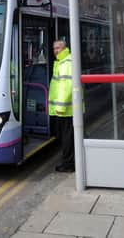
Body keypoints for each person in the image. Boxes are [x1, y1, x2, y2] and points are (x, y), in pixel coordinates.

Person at [48, 40, 74, 172]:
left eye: (58, 48)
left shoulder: (66, 63)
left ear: (64, 48)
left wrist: (61, 107)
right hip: (64, 109)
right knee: (68, 136)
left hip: (66, 110)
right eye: (54, 49)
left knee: (67, 137)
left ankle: (68, 164)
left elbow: (66, 87)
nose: (55, 51)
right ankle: (70, 161)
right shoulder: (61, 62)